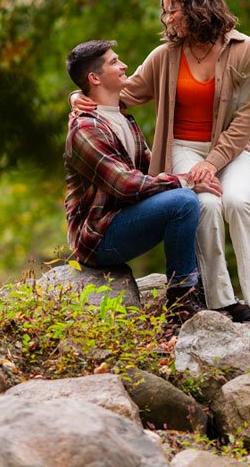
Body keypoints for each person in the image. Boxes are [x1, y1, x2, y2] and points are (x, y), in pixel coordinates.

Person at [72, 0, 250, 324]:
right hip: (182, 147)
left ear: (197, 7)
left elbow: (247, 117)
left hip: (232, 148)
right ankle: (222, 299)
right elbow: (121, 92)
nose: (168, 19)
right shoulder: (165, 56)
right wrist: (78, 96)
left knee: (238, 202)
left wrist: (212, 163)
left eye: (173, 11)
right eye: (165, 12)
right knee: (208, 206)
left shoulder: (246, 50)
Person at [64, 40, 216, 323]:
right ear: (94, 78)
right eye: (114, 62)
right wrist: (186, 182)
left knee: (194, 199)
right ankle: (181, 303)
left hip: (121, 219)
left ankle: (205, 290)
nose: (123, 66)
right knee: (182, 200)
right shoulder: (86, 128)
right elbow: (127, 185)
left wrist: (200, 173)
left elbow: (152, 167)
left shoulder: (122, 119)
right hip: (97, 237)